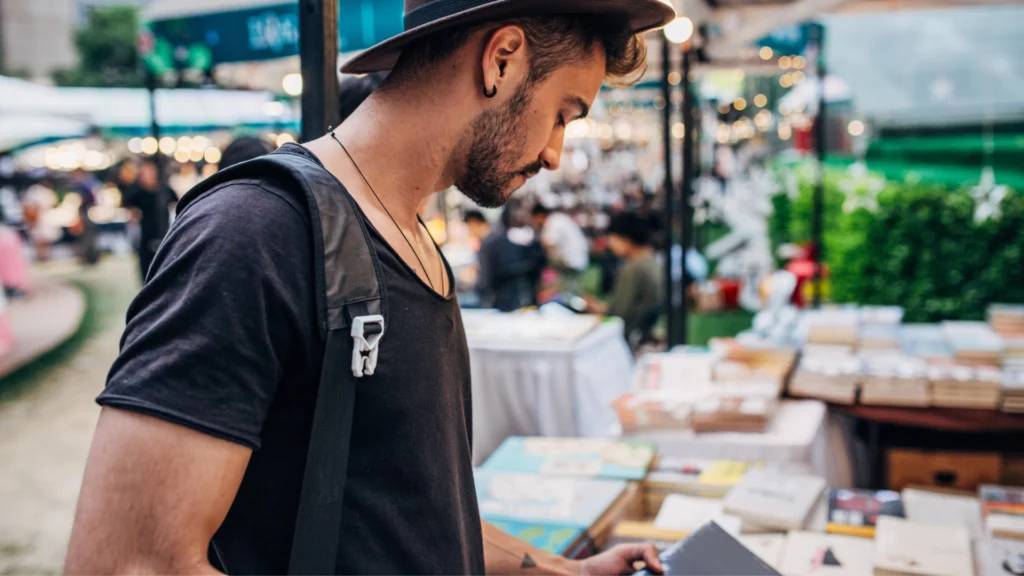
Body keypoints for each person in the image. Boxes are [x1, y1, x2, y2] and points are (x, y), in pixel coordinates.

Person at [66, 0, 674, 574]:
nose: (554, 154)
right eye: (563, 113)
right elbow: (129, 561)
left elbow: (410, 512)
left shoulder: (408, 240)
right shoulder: (256, 232)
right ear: (502, 57)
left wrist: (561, 568)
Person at [585, 212, 664, 346]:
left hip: (627, 338)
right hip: (644, 332)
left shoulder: (634, 268)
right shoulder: (651, 261)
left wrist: (597, 308)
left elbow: (619, 313)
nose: (610, 244)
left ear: (626, 239)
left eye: (612, 238)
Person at [465, 208, 532, 311]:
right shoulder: (499, 237)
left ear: (474, 223)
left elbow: (485, 279)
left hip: (498, 300)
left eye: (469, 227)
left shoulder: (487, 244)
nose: (469, 232)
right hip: (515, 295)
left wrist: (477, 290)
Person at [122, 158, 176, 282]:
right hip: (144, 238)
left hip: (164, 235)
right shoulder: (136, 192)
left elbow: (175, 206)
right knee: (146, 273)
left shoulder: (165, 191)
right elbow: (130, 213)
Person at [530, 203, 590, 294]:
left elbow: (548, 245)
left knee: (540, 264)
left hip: (570, 261)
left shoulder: (552, 221)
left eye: (535, 219)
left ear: (539, 215)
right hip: (579, 260)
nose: (535, 222)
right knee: (569, 291)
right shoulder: (558, 218)